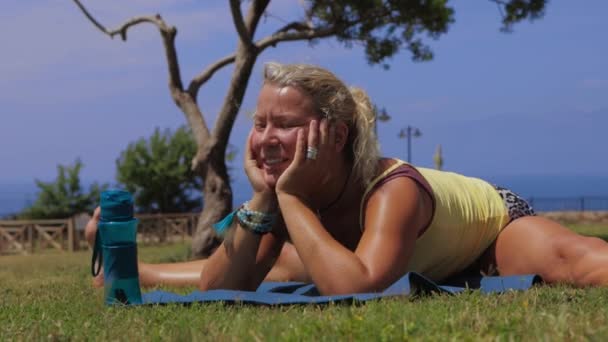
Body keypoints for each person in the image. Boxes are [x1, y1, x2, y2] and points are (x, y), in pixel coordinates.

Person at [86, 62, 608, 295]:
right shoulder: (287, 194)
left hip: (488, 234)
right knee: (280, 264)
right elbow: (218, 286)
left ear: (333, 136)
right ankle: (137, 270)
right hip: (356, 241)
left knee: (576, 265)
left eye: (285, 125)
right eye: (260, 123)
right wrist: (267, 197)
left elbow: (355, 287)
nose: (265, 137)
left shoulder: (393, 187)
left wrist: (285, 194)